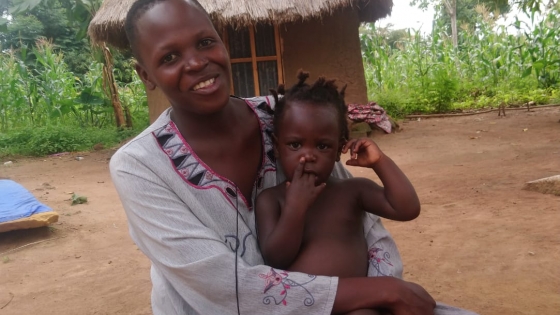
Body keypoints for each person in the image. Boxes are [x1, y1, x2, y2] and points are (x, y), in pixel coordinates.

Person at [110, 0, 478, 314]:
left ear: (223, 42)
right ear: (147, 76)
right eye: (170, 57)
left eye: (205, 42)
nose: (195, 63)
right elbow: (221, 286)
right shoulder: (139, 166)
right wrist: (384, 292)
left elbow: (368, 232)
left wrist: (379, 294)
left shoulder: (290, 119)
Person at [255, 72, 421, 315]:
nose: (308, 156)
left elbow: (407, 208)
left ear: (338, 150)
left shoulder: (352, 192)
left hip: (357, 306)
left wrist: (380, 162)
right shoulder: (271, 200)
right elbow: (276, 260)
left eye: (322, 146)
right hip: (301, 308)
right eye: (295, 144)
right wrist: (295, 208)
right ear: (277, 148)